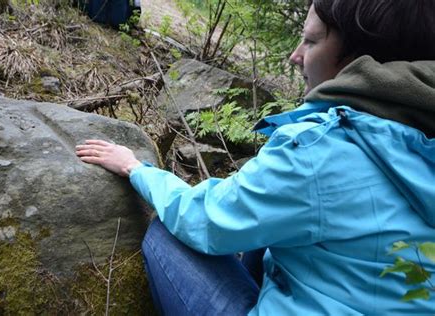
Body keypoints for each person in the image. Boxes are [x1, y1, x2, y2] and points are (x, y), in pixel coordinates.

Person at [76, 0, 435, 314]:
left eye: (310, 41)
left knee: (166, 234)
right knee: (269, 231)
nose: (296, 56)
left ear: (359, 62)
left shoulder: (317, 149)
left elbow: (202, 219)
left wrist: (137, 168)